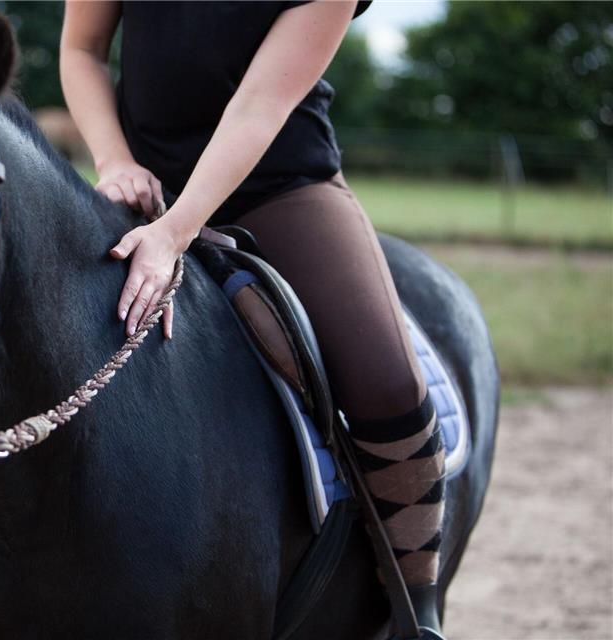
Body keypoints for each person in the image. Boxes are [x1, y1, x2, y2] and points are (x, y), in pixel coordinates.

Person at [60, 1, 445, 634]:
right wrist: (114, 162)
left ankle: (414, 607)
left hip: (280, 186)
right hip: (144, 184)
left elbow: (258, 106)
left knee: (387, 382)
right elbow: (81, 49)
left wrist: (176, 230)